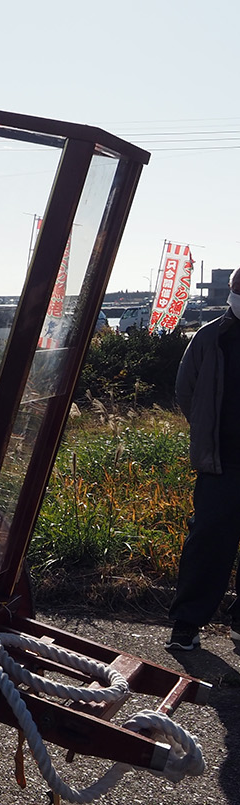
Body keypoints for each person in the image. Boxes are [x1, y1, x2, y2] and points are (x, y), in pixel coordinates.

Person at [168, 267, 240, 651]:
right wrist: (207, 428)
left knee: (210, 540)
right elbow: (186, 390)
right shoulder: (210, 336)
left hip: (222, 459)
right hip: (221, 462)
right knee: (208, 542)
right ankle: (187, 624)